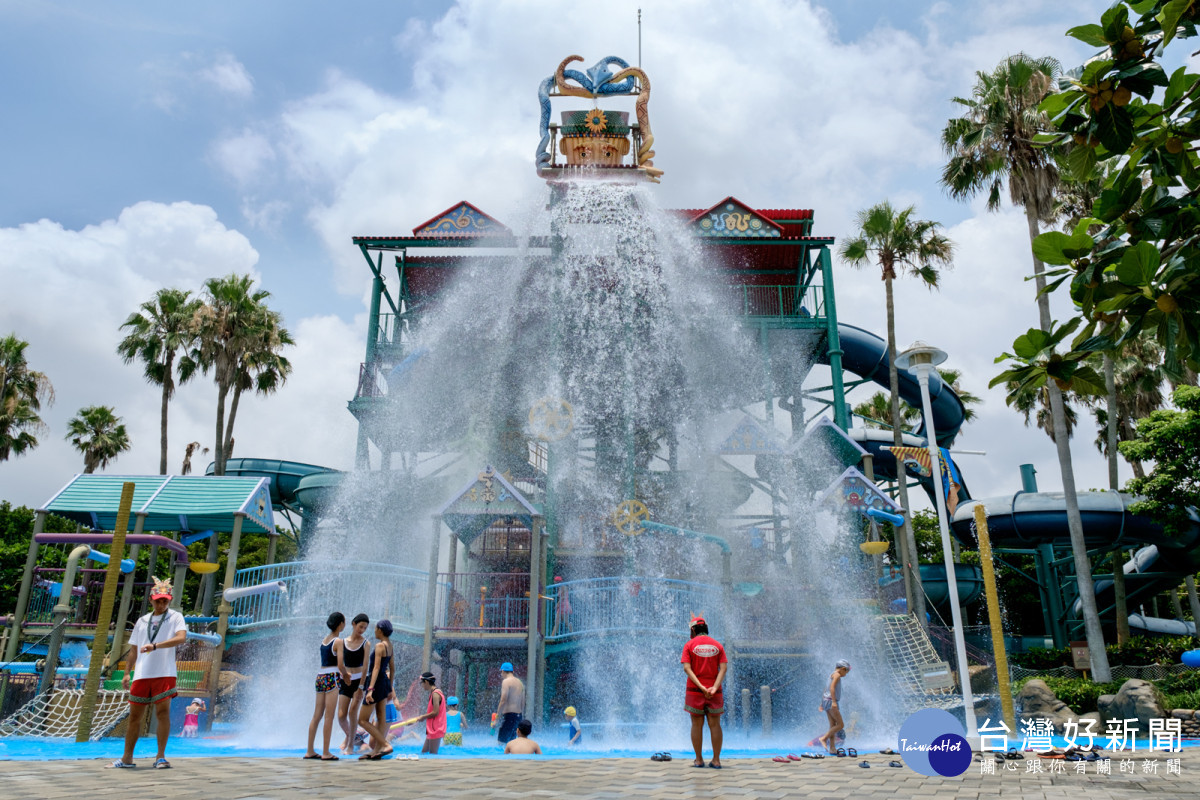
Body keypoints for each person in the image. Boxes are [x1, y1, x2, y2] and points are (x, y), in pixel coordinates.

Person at [109, 577, 188, 769]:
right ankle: (127, 758)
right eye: (158, 600)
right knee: (135, 716)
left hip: (164, 672)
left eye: (165, 600)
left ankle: (160, 756)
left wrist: (156, 646)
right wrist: (127, 673)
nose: (161, 604)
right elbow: (134, 650)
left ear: (169, 600)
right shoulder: (142, 621)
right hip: (142, 674)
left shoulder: (175, 617)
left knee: (162, 713)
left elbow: (181, 638)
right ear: (151, 600)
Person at [681, 615, 727, 769]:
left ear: (693, 630)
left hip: (695, 691)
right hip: (715, 691)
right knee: (715, 725)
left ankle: (699, 759)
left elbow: (687, 668)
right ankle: (716, 760)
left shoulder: (689, 645)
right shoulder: (718, 645)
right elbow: (723, 668)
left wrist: (701, 687)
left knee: (696, 724)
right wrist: (713, 687)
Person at [305, 612, 345, 760]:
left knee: (317, 715)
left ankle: (309, 750)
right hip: (332, 678)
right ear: (340, 624)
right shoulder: (338, 641)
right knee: (329, 716)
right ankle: (326, 752)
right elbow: (340, 664)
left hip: (320, 677)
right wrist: (346, 677)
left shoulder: (324, 640)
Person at [356, 619, 395, 759]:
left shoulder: (380, 646)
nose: (374, 631)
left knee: (362, 720)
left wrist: (370, 689)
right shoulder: (390, 645)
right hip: (384, 684)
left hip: (376, 683)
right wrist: (390, 687)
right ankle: (376, 751)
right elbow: (392, 668)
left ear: (380, 630)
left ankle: (385, 744)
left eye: (376, 628)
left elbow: (376, 668)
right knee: (380, 719)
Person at [336, 613, 370, 755]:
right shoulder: (343, 642)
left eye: (365, 628)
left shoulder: (365, 643)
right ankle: (353, 735)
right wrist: (343, 675)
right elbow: (340, 664)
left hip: (359, 681)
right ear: (353, 624)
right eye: (360, 626)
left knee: (352, 712)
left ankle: (350, 745)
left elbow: (366, 667)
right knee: (341, 715)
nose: (362, 630)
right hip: (346, 680)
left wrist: (361, 687)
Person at [817, 660, 851, 754]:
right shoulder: (837, 675)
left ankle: (832, 748)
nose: (846, 674)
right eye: (846, 672)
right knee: (840, 725)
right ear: (843, 669)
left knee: (832, 725)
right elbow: (832, 688)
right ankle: (823, 738)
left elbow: (826, 688)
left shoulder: (832, 674)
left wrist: (821, 703)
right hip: (831, 701)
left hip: (826, 700)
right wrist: (834, 702)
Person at [411, 671, 446, 754]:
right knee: (423, 752)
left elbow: (435, 712)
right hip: (432, 728)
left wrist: (423, 716)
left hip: (436, 728)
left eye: (421, 683)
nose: (422, 686)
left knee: (433, 755)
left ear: (426, 682)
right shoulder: (435, 692)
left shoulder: (435, 694)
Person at [494, 661, 525, 745]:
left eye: (501, 672)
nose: (501, 674)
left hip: (509, 716)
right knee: (512, 742)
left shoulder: (506, 681)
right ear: (512, 672)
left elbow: (503, 699)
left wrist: (497, 717)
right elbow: (523, 701)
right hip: (518, 716)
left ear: (503, 671)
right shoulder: (520, 682)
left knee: (501, 743)